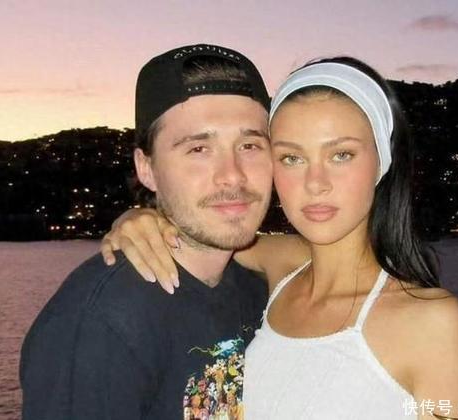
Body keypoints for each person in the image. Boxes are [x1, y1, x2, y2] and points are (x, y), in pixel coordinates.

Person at [103, 57, 458, 419]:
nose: (316, 183)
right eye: (292, 158)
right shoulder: (281, 266)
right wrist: (142, 217)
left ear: (382, 161)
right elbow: (209, 235)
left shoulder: (432, 323)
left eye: (341, 155)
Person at [19, 44, 273, 420]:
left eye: (250, 145)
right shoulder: (103, 320)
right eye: (199, 149)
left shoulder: (262, 291)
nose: (232, 175)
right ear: (146, 168)